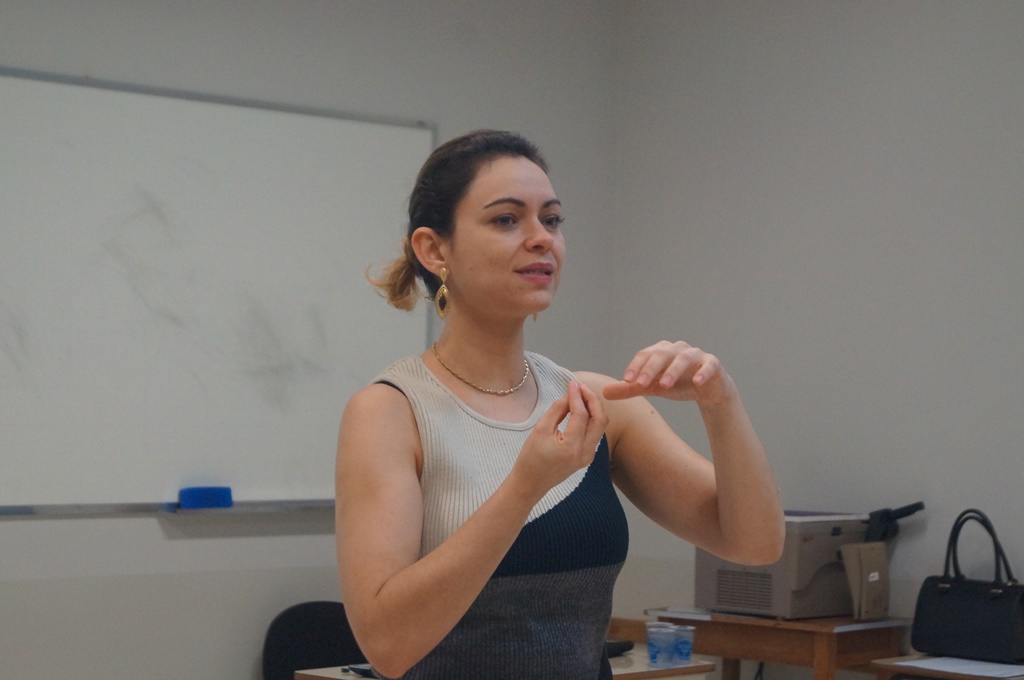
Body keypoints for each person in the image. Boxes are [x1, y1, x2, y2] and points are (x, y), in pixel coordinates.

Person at [335, 129, 784, 679]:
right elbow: (388, 645)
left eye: (551, 220)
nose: (540, 238)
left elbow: (755, 543)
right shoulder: (390, 412)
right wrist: (526, 485)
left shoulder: (593, 403)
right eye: (506, 220)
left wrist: (721, 402)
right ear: (434, 249)